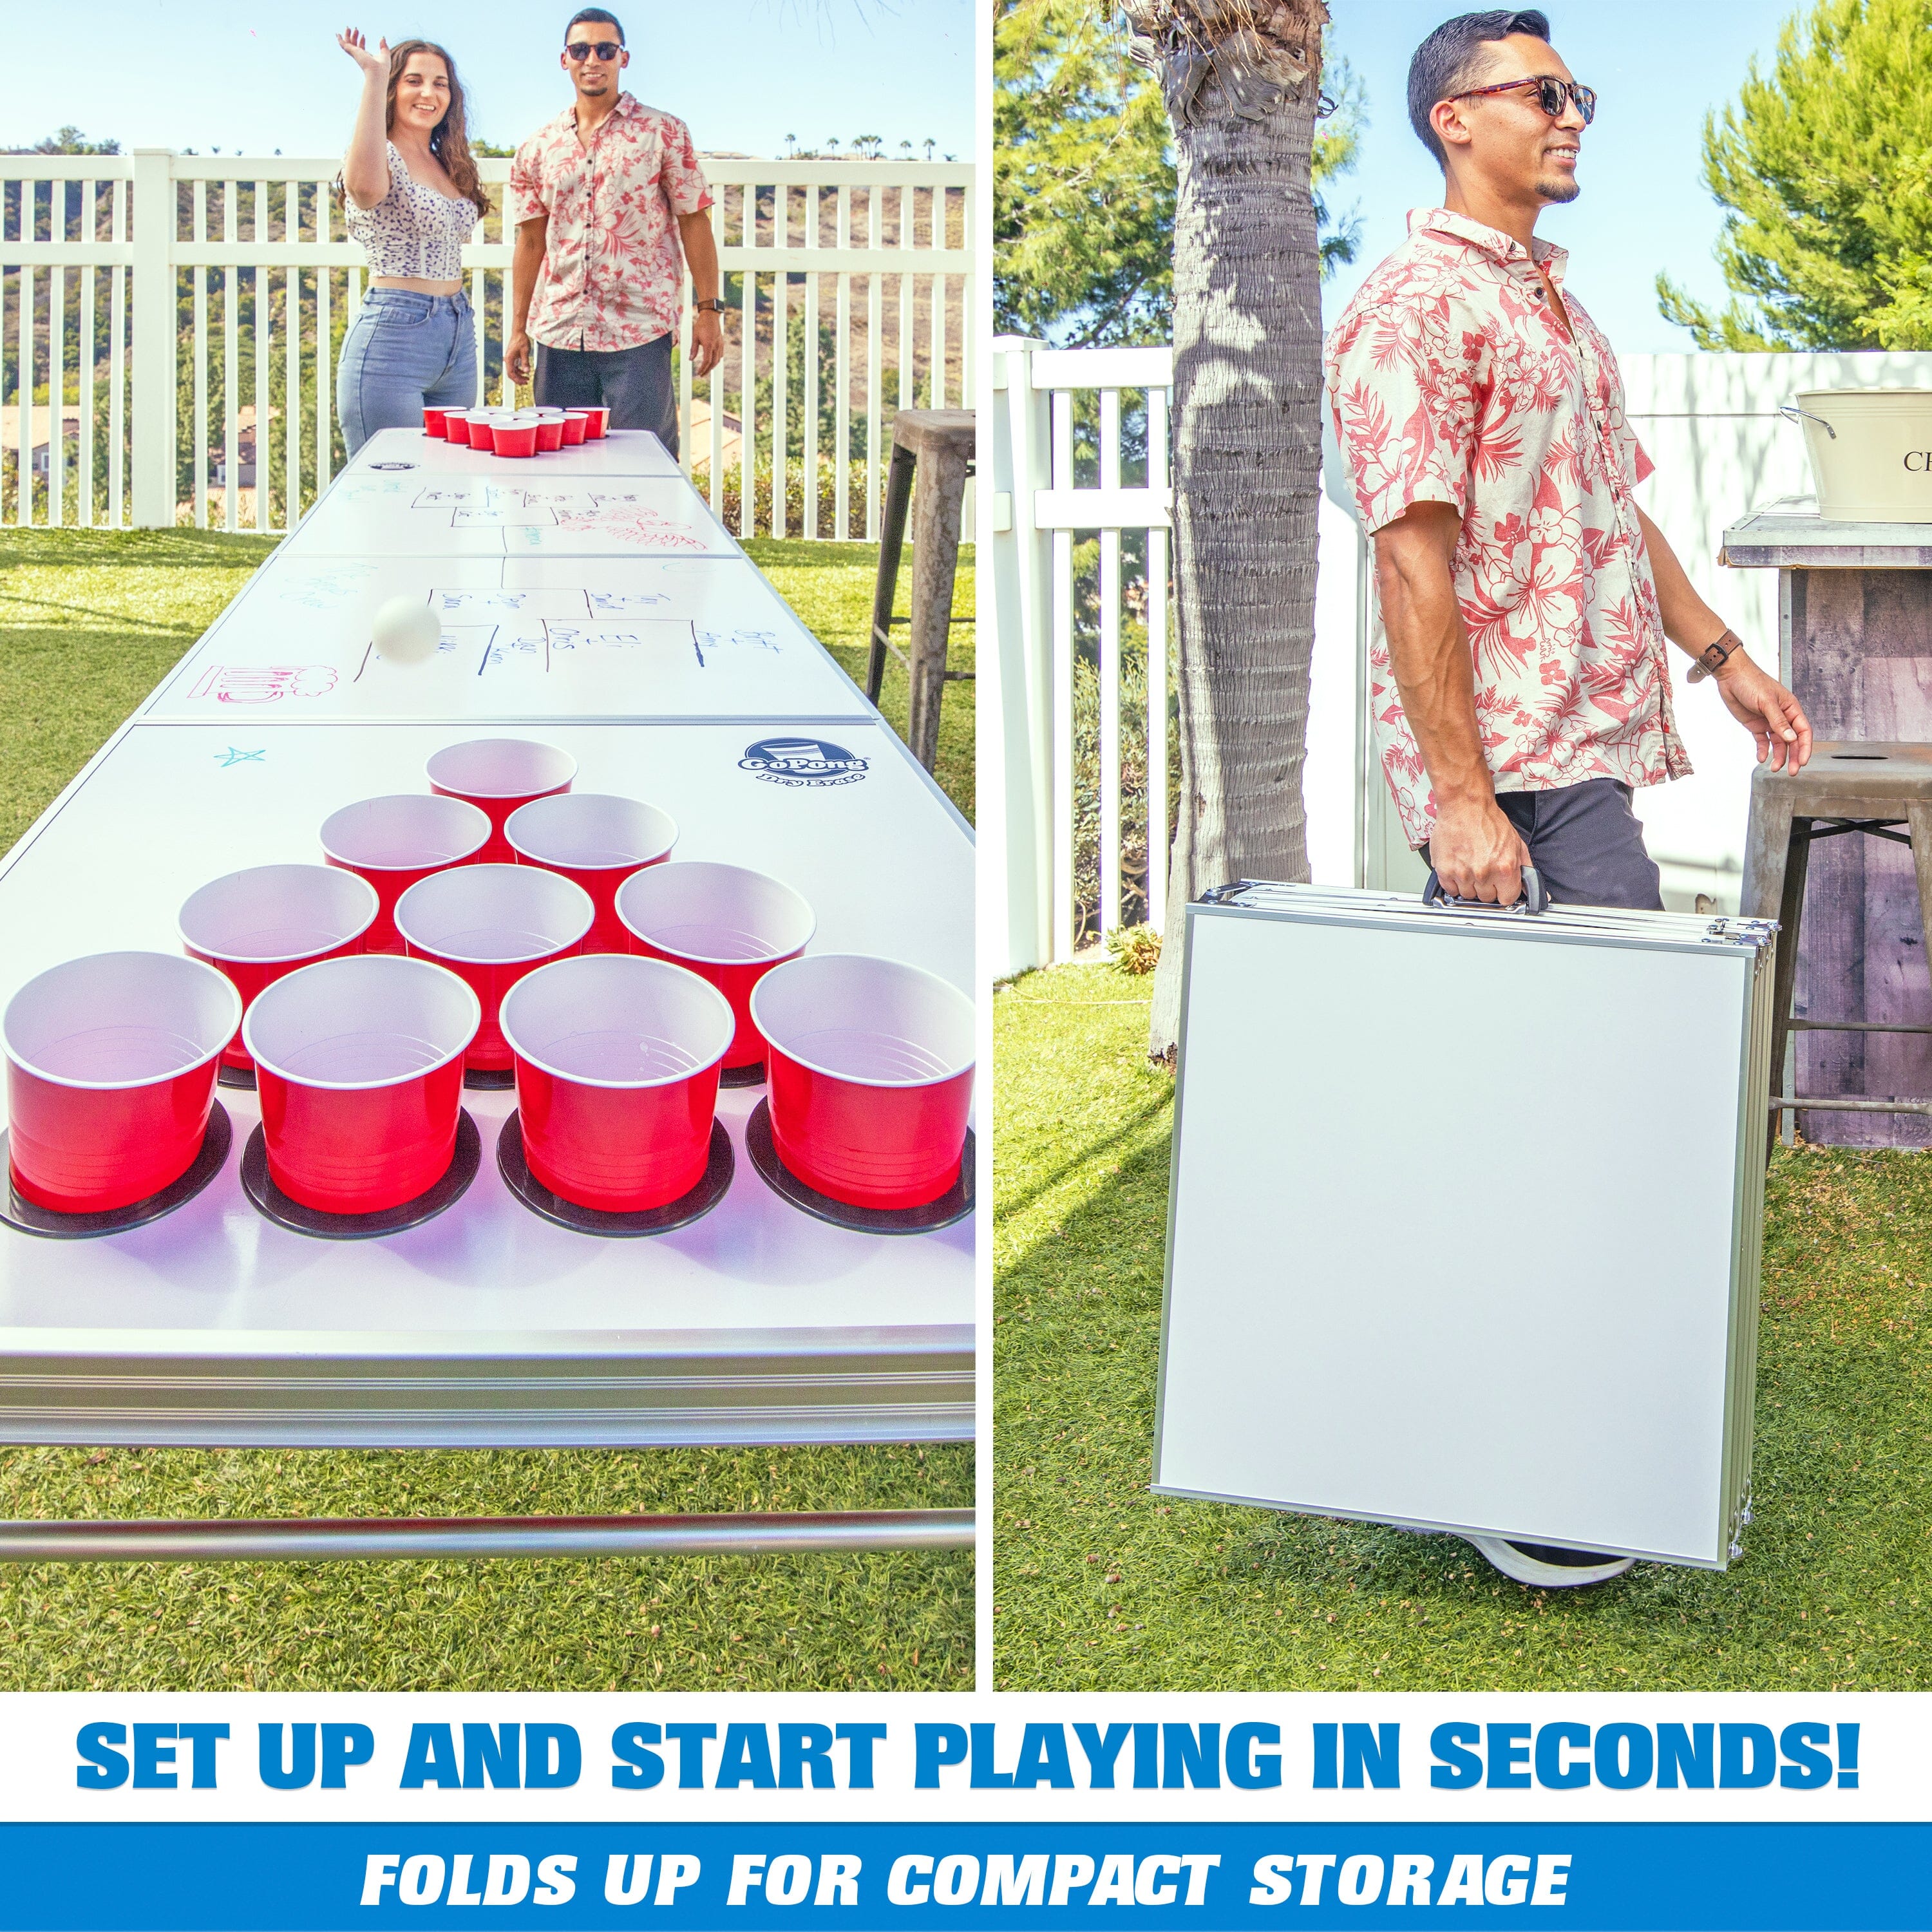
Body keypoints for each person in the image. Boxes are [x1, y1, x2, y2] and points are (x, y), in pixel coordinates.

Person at [1325, 8, 1813, 923]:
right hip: (1510, 771)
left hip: (1576, 756)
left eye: (1577, 96)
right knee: (1613, 1028)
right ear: (1455, 118)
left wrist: (1728, 659)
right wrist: (1464, 802)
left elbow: (1612, 515)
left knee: (1553, 1043)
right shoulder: (1413, 307)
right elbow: (1408, 560)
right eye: (1545, 95)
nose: (1574, 117)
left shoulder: (1559, 310)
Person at [506, 8, 726, 453]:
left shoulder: (664, 132)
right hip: (559, 330)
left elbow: (694, 222)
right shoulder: (537, 148)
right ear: (564, 59)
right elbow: (530, 242)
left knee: (647, 464)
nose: (593, 59)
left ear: (623, 58)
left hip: (639, 330)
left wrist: (709, 311)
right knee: (560, 467)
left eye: (605, 49)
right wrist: (517, 329)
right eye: (580, 49)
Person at [334, 30, 489, 455]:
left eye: (440, 83)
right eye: (413, 80)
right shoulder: (379, 153)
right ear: (392, 90)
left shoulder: (447, 162)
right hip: (394, 339)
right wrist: (374, 76)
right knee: (389, 489)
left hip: (457, 335)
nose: (428, 92)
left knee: (448, 484)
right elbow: (363, 189)